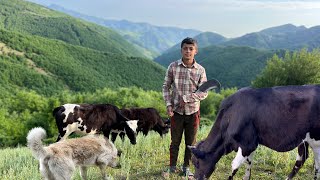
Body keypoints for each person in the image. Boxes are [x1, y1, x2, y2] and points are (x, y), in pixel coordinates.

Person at [162, 37, 208, 178]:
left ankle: (186, 168)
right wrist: (169, 105)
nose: (188, 51)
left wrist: (187, 98)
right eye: (185, 48)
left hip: (193, 112)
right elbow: (166, 87)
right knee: (174, 141)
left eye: (191, 49)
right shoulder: (173, 67)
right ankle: (172, 167)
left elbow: (204, 92)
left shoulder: (200, 70)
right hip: (176, 112)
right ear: (181, 50)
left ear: (196, 51)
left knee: (191, 142)